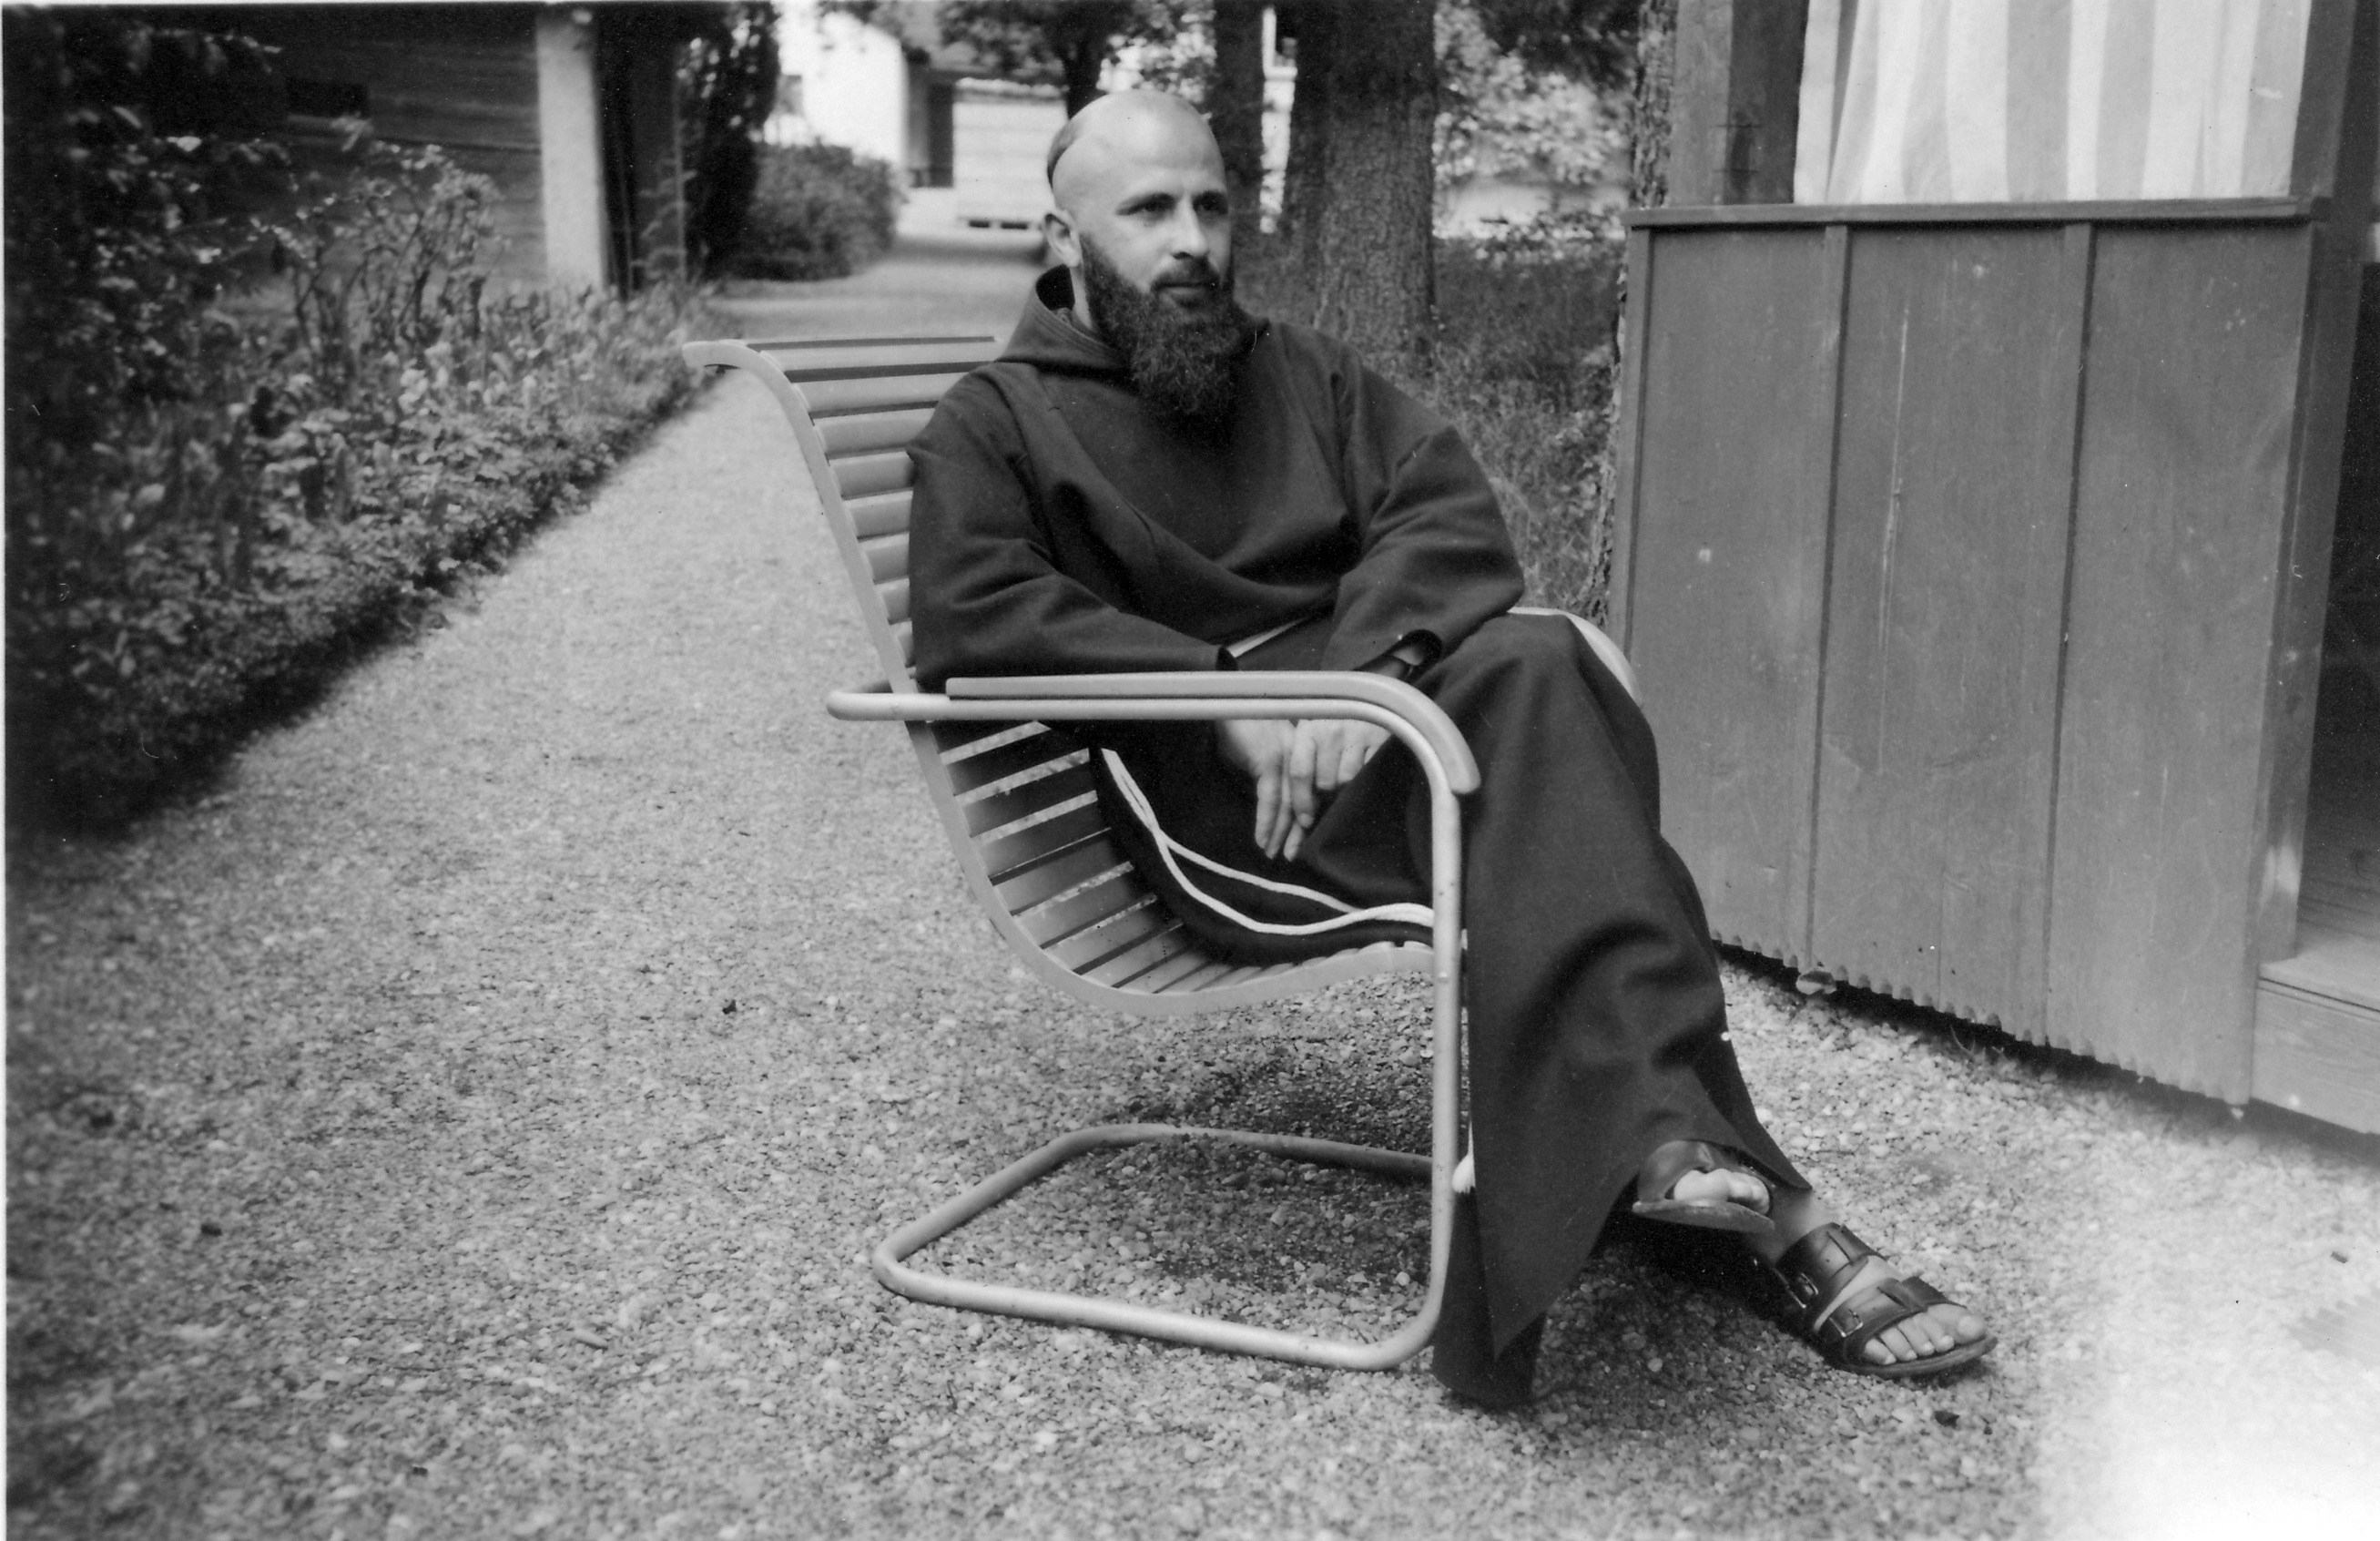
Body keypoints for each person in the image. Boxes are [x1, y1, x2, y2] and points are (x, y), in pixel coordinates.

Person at [907, 90, 1994, 1406]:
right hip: (1228, 822)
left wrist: (1359, 681)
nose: (1190, 240)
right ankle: (1762, 1210)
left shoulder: (1297, 372)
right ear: (1063, 236)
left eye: (1210, 205)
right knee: (1554, 775)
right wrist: (1220, 695)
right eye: (1146, 211)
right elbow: (974, 612)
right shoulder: (996, 421)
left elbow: (1443, 512)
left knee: (1538, 663)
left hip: (1380, 742)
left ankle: (1663, 1148)